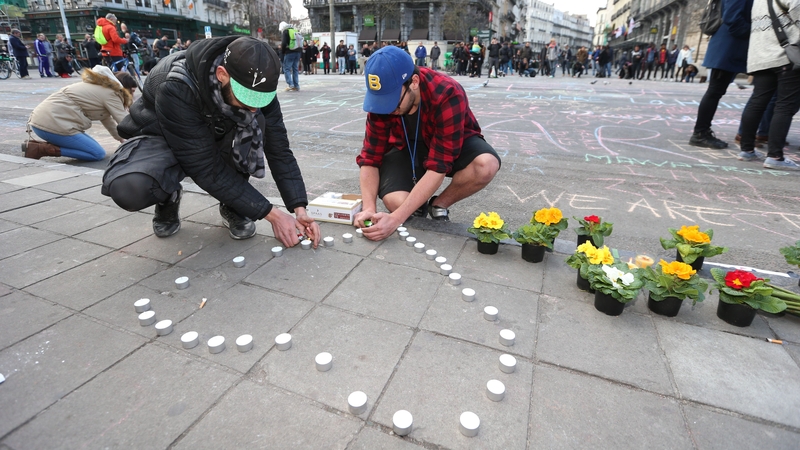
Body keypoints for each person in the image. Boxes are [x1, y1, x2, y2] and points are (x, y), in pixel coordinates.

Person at [102, 36, 322, 246]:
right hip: (162, 136)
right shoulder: (176, 85)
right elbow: (205, 166)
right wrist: (271, 214)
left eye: (259, 101)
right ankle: (167, 194)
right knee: (130, 188)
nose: (254, 108)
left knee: (253, 125)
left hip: (212, 132)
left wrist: (299, 208)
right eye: (246, 99)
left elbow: (279, 150)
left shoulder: (258, 82)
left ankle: (232, 204)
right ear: (221, 74)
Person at [355, 46, 501, 240]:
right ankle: (416, 203)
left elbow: (438, 167)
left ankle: (438, 204)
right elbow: (370, 159)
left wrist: (395, 220)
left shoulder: (447, 92)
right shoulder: (381, 103)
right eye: (382, 102)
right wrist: (369, 209)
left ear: (414, 82)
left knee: (486, 166)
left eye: (393, 102)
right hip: (404, 146)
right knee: (396, 202)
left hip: (449, 142)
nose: (388, 110)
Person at [737, 0, 800, 170]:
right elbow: (796, 7)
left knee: (758, 101)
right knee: (785, 106)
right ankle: (775, 156)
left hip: (761, 56)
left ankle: (747, 149)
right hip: (785, 55)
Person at [23, 67, 135, 161]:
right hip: (53, 125)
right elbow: (124, 120)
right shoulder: (111, 93)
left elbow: (106, 119)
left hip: (42, 123)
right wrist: (142, 140)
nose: (132, 94)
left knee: (92, 148)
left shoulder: (100, 88)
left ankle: (42, 146)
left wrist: (121, 139)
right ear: (123, 87)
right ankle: (41, 148)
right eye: (132, 91)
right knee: (97, 154)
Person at [687, 0, 753, 150]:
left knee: (716, 91)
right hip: (727, 49)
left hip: (731, 48)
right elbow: (732, 18)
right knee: (715, 91)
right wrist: (756, 32)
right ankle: (700, 133)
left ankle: (702, 132)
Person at [280, 21, 302, 91]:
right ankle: (296, 86)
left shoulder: (285, 31)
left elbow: (283, 43)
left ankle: (290, 84)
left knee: (286, 69)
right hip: (298, 51)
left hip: (289, 52)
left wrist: (283, 51)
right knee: (295, 69)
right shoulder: (294, 30)